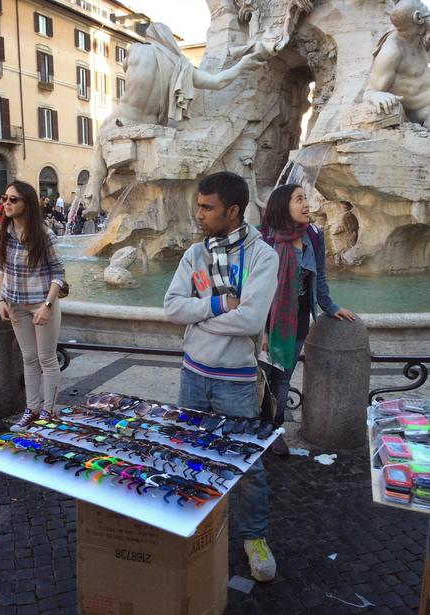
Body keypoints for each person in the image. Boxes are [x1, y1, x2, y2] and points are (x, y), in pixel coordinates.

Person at [164, 172, 279, 582]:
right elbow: (171, 308)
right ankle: (195, 525)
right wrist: (217, 305)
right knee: (191, 452)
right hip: (193, 373)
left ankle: (254, 537)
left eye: (206, 207)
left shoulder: (263, 256)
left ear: (232, 211)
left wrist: (199, 317)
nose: (199, 214)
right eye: (199, 205)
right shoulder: (195, 254)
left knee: (246, 463)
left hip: (235, 379)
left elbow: (251, 319)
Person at [83, 22, 263, 218]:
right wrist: (243, 64)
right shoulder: (181, 66)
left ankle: (94, 200)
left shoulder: (136, 49)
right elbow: (218, 81)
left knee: (99, 143)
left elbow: (127, 66)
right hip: (151, 125)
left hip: (123, 120)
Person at [261, 184, 355, 455]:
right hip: (265, 324)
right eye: (299, 199)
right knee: (260, 379)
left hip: (297, 322)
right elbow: (254, 286)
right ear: (282, 205)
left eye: (306, 198)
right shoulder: (265, 238)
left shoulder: (313, 234)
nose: (307, 204)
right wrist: (262, 329)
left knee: (281, 379)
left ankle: (274, 431)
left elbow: (321, 277)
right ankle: (255, 429)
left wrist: (330, 306)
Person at [0, 180, 67, 432]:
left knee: (47, 358)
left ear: (27, 203)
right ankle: (32, 410)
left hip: (41, 303)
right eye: (5, 198)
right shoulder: (1, 233)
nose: (6, 203)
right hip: (15, 304)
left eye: (13, 199)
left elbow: (59, 273)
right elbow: (1, 268)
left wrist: (47, 305)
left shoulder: (44, 234)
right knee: (28, 358)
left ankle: (49, 411)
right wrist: (1, 299)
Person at [363, 0, 430, 127]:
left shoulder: (421, 34)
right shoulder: (392, 51)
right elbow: (369, 92)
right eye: (426, 10)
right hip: (424, 115)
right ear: (418, 17)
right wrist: (376, 96)